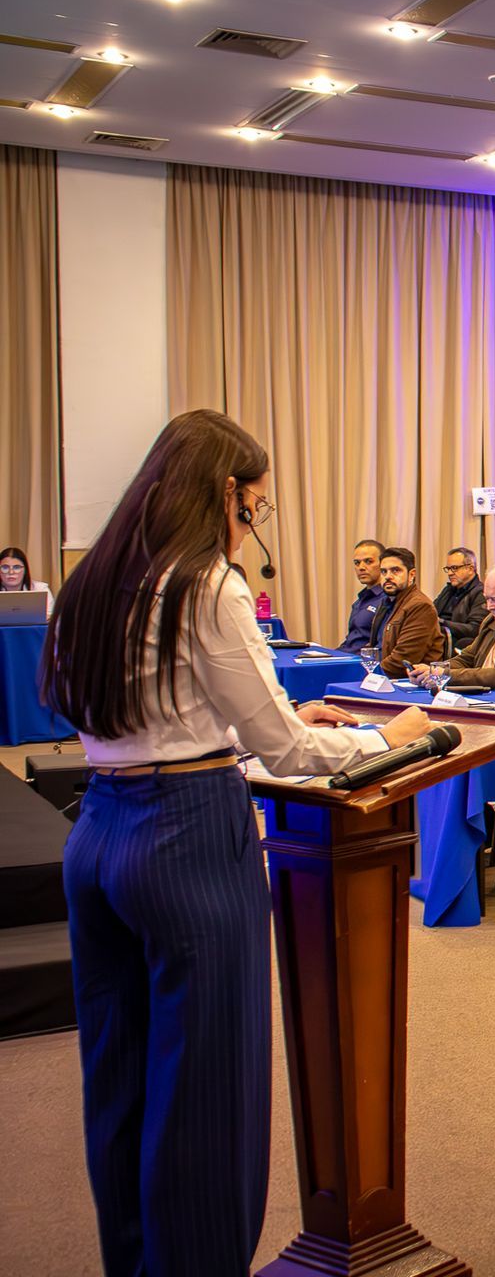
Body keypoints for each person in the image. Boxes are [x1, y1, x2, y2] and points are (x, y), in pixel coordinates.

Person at [44, 408, 433, 1276]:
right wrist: (388, 737)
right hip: (186, 836)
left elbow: (149, 710)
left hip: (98, 829)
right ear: (227, 494)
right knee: (208, 1094)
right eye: (256, 505)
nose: (254, 521)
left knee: (121, 1079)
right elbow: (285, 753)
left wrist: (267, 719)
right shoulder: (205, 581)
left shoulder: (94, 576)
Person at [409, 560, 495, 690]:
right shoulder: (491, 621)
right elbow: (467, 658)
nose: (489, 607)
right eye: (487, 599)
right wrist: (433, 670)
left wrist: (446, 675)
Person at [370, 548, 443, 677]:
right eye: (384, 571)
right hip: (381, 675)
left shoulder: (420, 606)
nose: (388, 576)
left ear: (412, 574)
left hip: (407, 680)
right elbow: (374, 647)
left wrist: (366, 674)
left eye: (395, 570)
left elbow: (401, 661)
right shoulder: (386, 602)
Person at [432, 547, 485, 646]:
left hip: (457, 645)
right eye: (448, 569)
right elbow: (432, 612)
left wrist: (442, 623)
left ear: (470, 569)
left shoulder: (481, 593)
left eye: (454, 568)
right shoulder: (448, 590)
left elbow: (475, 629)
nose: (450, 573)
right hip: (437, 639)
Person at [341, 538, 386, 652]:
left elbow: (381, 648)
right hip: (346, 655)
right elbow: (351, 641)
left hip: (363, 660)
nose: (361, 567)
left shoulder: (387, 600)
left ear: (383, 564)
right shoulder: (359, 601)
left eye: (368, 561)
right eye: (357, 563)